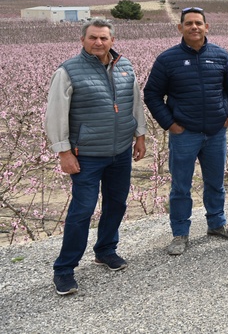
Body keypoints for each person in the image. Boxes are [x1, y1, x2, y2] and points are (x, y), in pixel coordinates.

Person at [45, 20, 146, 295]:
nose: (98, 43)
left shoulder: (125, 67)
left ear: (112, 40)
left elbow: (135, 103)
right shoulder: (68, 71)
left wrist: (140, 135)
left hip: (120, 152)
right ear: (82, 40)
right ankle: (64, 269)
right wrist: (63, 152)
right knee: (82, 211)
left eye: (103, 38)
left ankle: (105, 250)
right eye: (93, 38)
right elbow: (55, 113)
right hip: (86, 155)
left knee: (116, 204)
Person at [144, 7, 228, 255]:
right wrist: (170, 124)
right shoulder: (167, 59)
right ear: (180, 28)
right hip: (184, 134)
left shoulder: (220, 55)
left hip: (216, 133)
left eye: (199, 23)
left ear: (207, 27)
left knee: (215, 182)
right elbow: (152, 95)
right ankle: (180, 233)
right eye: (189, 23)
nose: (194, 27)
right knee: (180, 186)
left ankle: (217, 224)